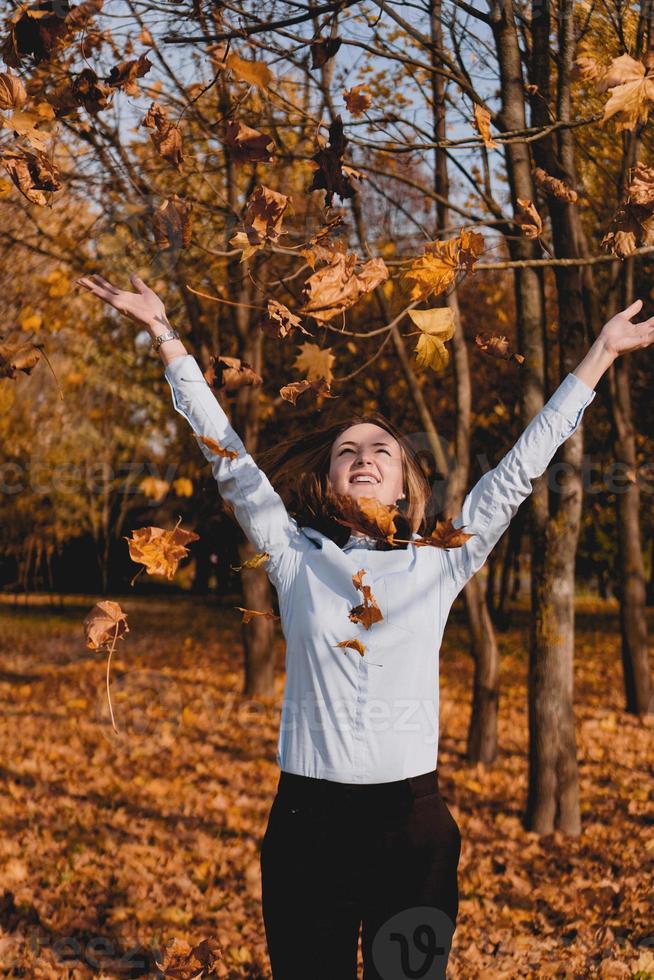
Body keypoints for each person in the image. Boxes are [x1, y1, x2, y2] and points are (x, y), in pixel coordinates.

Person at [74, 272, 654, 979]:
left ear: (407, 481)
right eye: (347, 450)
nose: (364, 458)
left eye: (381, 450)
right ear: (328, 478)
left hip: (412, 832)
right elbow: (228, 458)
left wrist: (599, 355)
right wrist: (165, 335)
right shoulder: (294, 557)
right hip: (305, 828)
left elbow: (515, 474)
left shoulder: (439, 561)